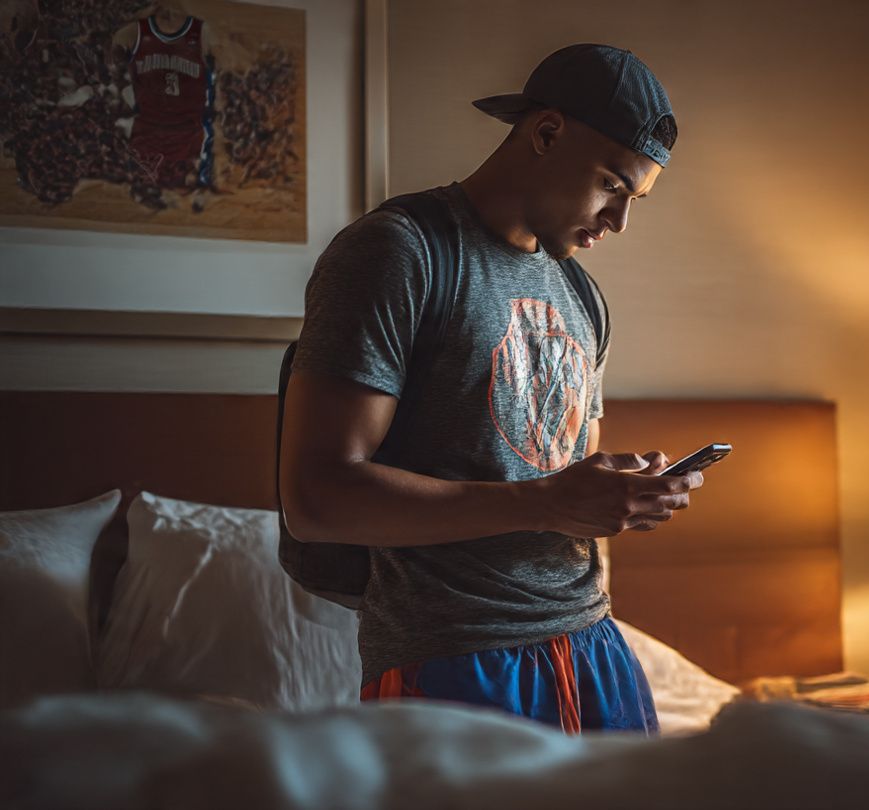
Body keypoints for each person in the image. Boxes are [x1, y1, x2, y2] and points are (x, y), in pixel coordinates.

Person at [278, 44, 698, 735]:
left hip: (596, 647)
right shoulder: (398, 253)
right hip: (452, 658)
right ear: (546, 133)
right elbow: (316, 499)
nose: (619, 221)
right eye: (613, 186)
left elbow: (564, 486)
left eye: (635, 200)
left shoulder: (582, 297)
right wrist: (549, 502)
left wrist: (615, 497)